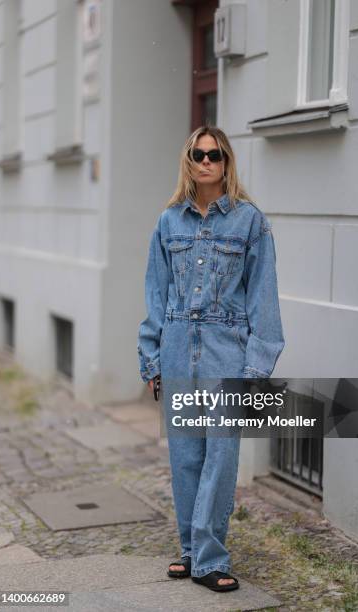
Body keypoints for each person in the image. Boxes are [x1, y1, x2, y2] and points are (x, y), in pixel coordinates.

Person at [137, 125, 285, 592]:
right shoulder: (168, 223)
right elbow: (155, 296)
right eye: (199, 154)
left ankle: (209, 557)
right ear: (189, 161)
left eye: (215, 154)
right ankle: (189, 549)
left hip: (226, 350)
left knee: (220, 456)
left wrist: (257, 366)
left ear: (226, 162)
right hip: (178, 345)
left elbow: (264, 299)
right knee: (185, 456)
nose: (207, 162)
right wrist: (152, 359)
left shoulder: (249, 222)